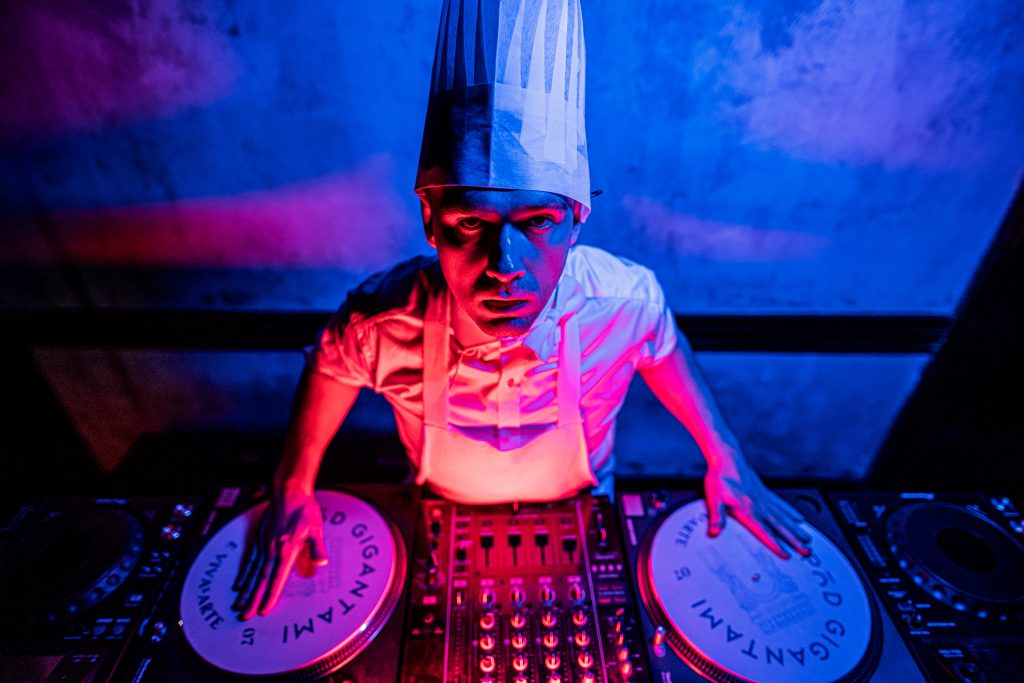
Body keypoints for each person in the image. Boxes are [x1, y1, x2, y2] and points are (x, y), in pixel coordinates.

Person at [233, 0, 810, 620]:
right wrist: (293, 482)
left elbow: (662, 345)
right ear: (430, 221)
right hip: (435, 517)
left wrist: (726, 455)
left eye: (537, 222)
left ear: (576, 220)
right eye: (470, 223)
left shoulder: (623, 302)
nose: (504, 265)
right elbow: (331, 364)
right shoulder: (381, 320)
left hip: (585, 511)